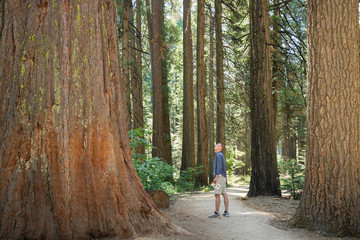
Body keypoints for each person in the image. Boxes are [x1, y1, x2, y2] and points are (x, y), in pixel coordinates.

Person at [208, 143, 229, 218]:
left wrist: (216, 177)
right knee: (224, 193)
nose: (215, 146)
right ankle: (226, 212)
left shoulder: (218, 155)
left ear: (220, 147)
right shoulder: (221, 155)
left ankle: (216, 213)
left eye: (217, 145)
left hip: (219, 177)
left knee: (217, 194)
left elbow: (219, 167)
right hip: (223, 177)